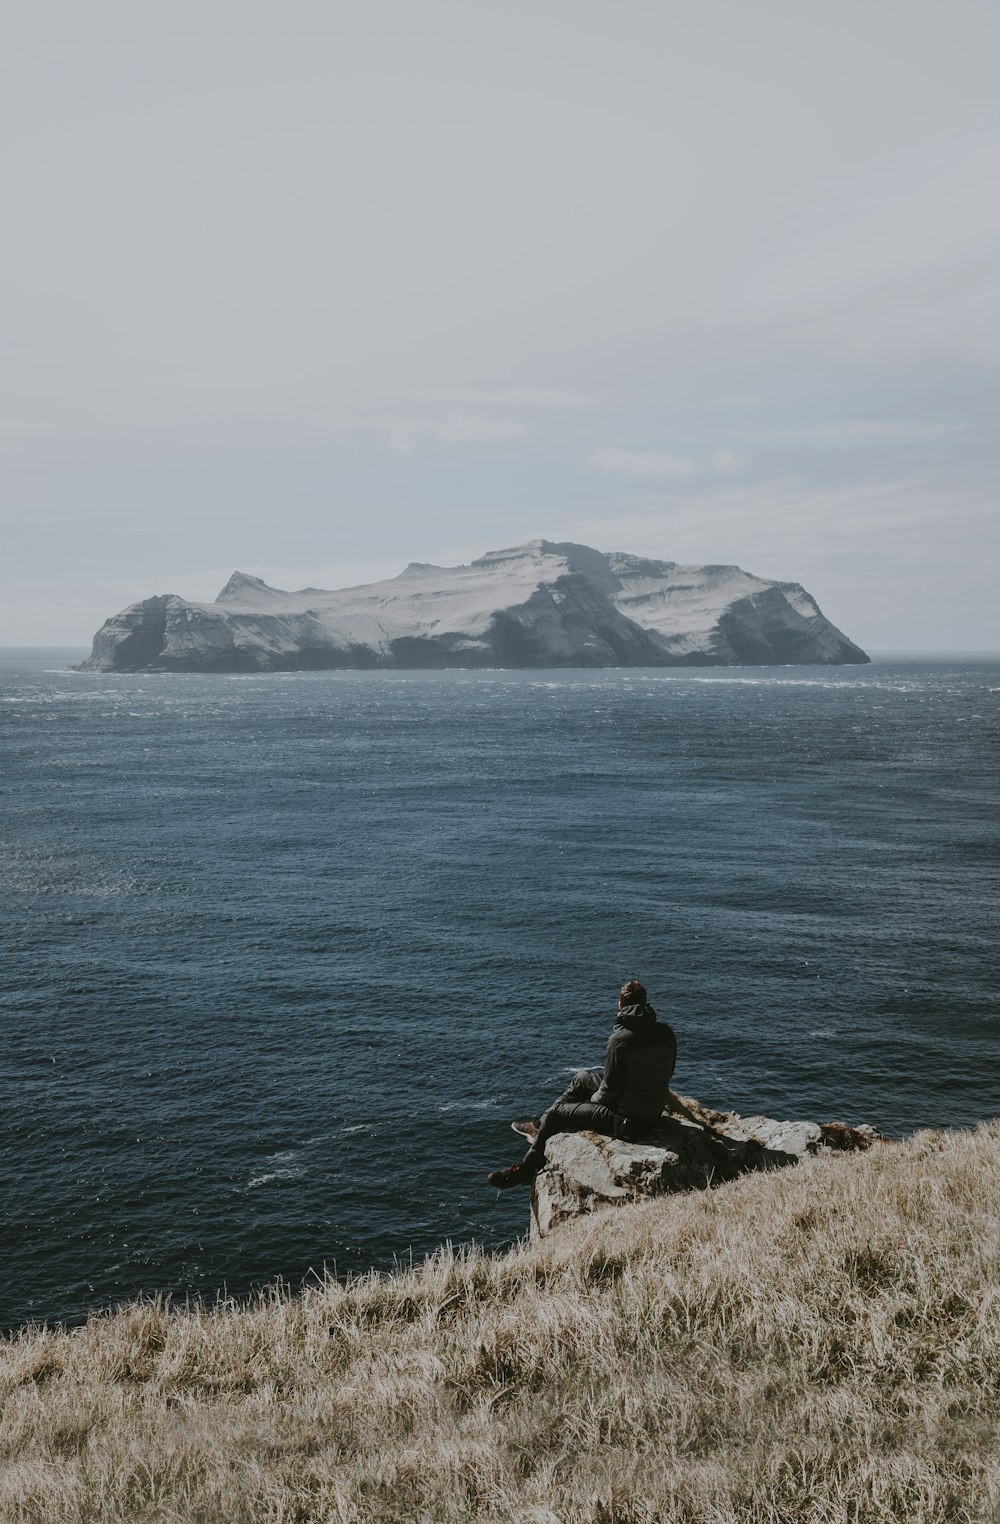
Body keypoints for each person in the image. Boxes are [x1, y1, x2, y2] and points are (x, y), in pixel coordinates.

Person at [487, 978, 677, 1189]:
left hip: (628, 1121)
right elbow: (666, 1073)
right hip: (652, 1112)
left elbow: (609, 1091)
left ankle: (526, 1169)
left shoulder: (620, 1041)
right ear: (645, 1004)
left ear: (620, 1006)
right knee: (582, 1077)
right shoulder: (666, 1033)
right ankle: (537, 1126)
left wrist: (592, 1102)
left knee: (558, 1113)